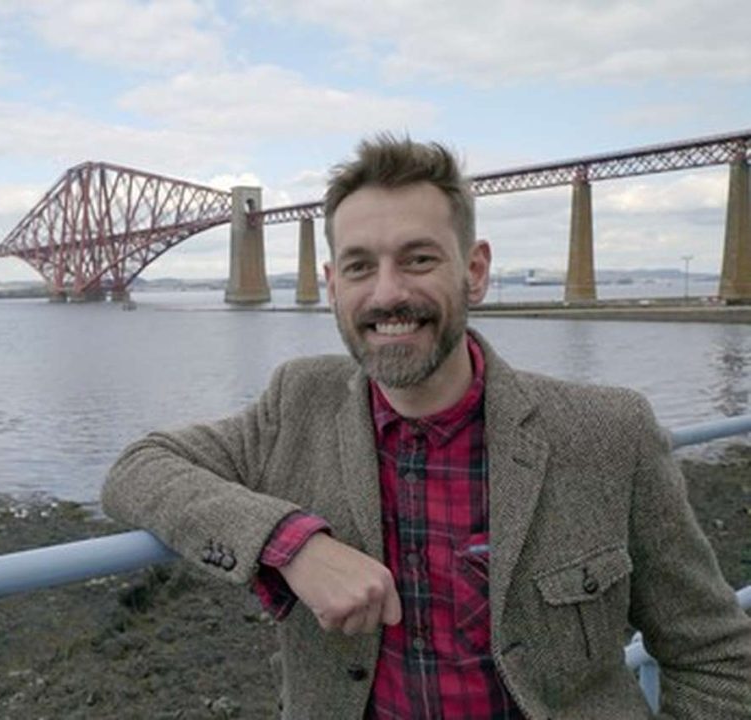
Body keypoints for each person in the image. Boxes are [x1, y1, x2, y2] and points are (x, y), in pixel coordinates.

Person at [101, 135, 751, 719]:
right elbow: (140, 468)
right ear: (330, 284)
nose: (387, 294)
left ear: (474, 271)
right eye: (359, 266)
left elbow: (713, 653)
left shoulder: (609, 431)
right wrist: (291, 545)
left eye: (417, 259)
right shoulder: (297, 402)